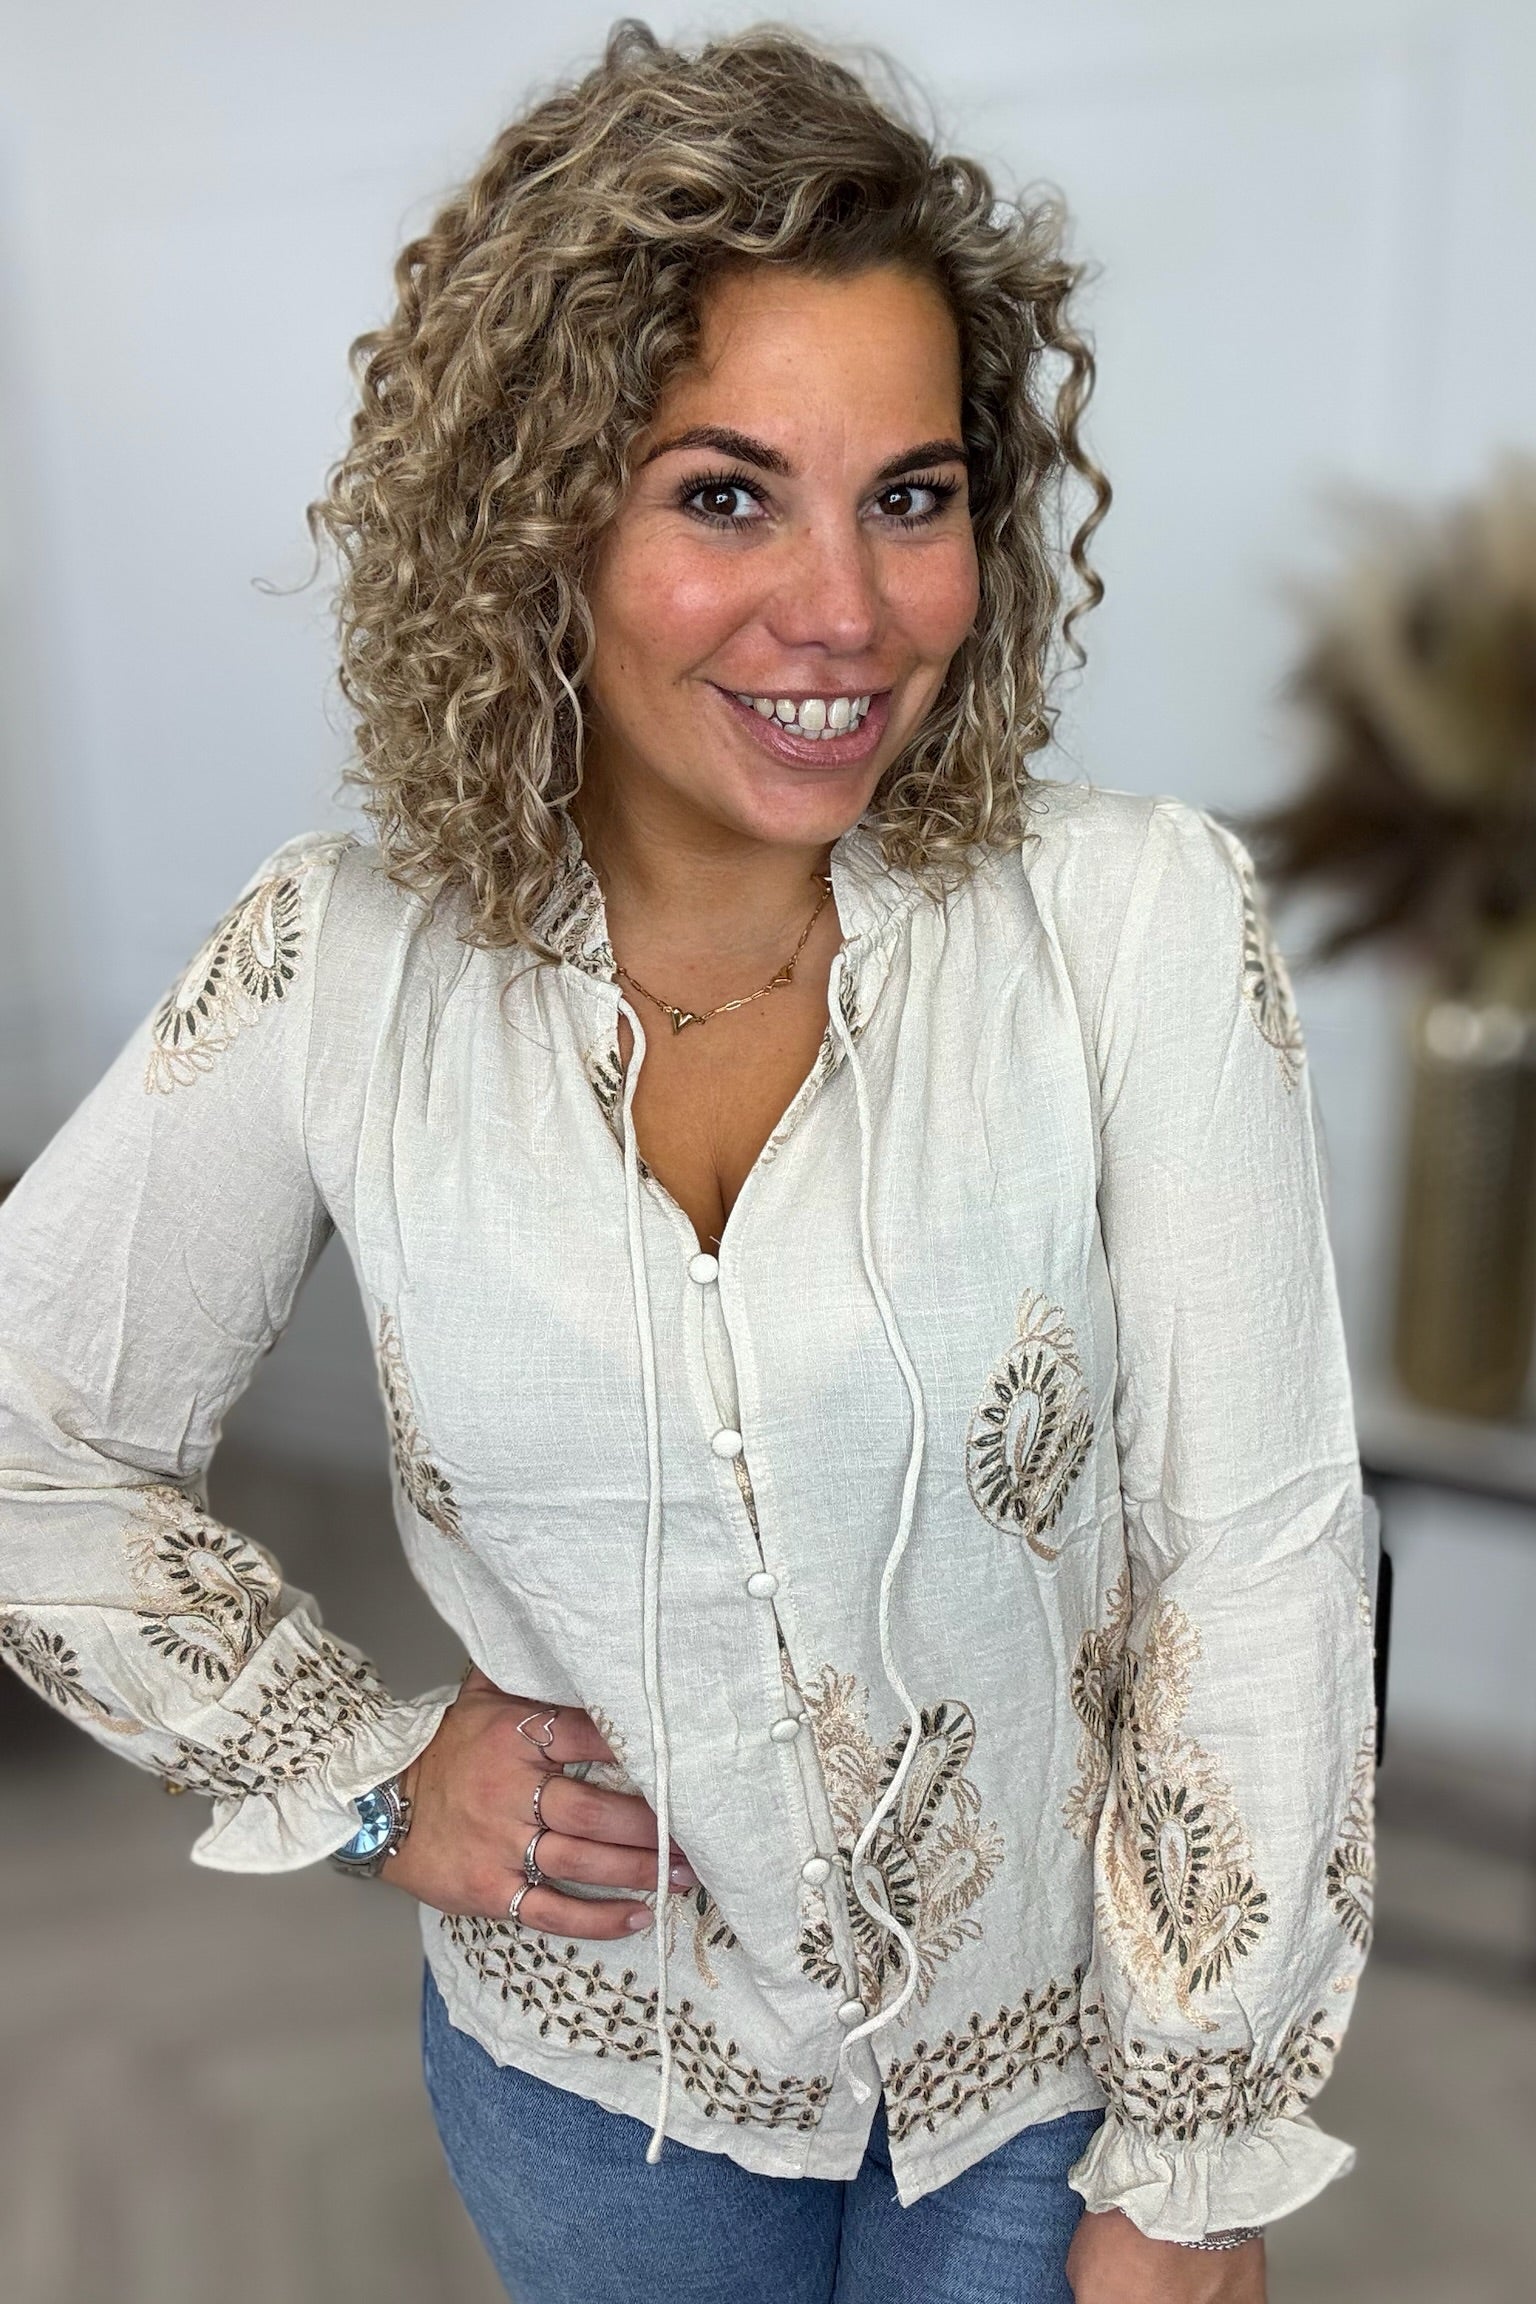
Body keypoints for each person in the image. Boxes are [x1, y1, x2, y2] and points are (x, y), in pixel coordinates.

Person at [0, 20, 1377, 2304]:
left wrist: (1194, 2154)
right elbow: (26, 1426)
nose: (844, 610)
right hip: (592, 2089)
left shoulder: (1130, 921)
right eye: (727, 496)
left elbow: (1258, 1561)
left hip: (1047, 2087)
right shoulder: (343, 971)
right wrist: (367, 1774)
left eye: (910, 496)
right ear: (537, 520)